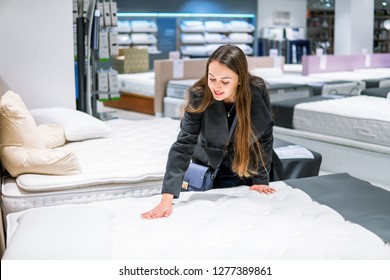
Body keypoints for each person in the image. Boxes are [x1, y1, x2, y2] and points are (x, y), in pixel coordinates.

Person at [141, 44, 277, 219]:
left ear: (240, 79)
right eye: (212, 78)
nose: (216, 87)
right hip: (214, 164)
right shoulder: (199, 96)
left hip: (247, 164)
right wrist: (167, 197)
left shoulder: (256, 90)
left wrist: (260, 180)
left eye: (225, 81)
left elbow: (264, 135)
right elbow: (183, 145)